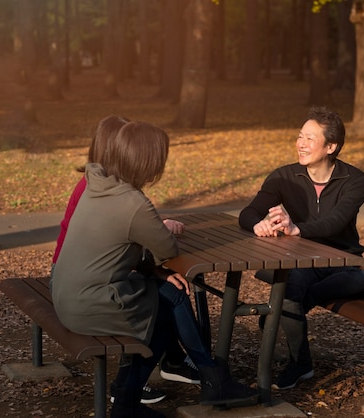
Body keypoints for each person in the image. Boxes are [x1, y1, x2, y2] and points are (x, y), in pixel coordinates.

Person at [51, 120, 257, 418]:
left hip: (67, 295)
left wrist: (153, 270)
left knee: (170, 294)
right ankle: (141, 397)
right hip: (89, 305)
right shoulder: (133, 202)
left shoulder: (98, 185)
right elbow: (168, 251)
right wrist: (156, 267)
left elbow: (117, 247)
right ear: (149, 161)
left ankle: (198, 380)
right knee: (167, 308)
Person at [50, 116, 198, 406]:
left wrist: (151, 263)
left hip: (71, 288)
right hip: (82, 294)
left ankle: (190, 368)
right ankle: (131, 393)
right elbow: (164, 246)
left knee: (166, 293)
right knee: (167, 302)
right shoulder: (123, 198)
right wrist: (154, 252)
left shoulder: (98, 185)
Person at [238, 106, 364, 390]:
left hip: (344, 261)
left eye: (310, 139)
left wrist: (295, 229)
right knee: (291, 287)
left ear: (331, 146)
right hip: (305, 263)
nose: (301, 144)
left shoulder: (355, 180)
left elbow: (335, 222)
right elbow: (248, 212)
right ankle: (301, 364)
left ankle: (283, 309)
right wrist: (258, 225)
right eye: (300, 136)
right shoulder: (283, 176)